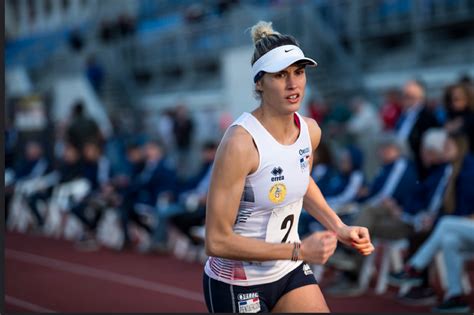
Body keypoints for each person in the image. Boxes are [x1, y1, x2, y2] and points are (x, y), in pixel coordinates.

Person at [203, 21, 374, 313]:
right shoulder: (240, 144)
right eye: (280, 75)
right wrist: (299, 250)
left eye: (299, 72)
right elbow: (216, 241)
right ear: (259, 82)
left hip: (288, 270)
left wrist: (340, 227)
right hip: (239, 282)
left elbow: (301, 181)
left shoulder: (310, 131)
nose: (293, 84)